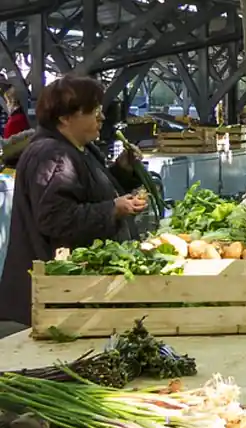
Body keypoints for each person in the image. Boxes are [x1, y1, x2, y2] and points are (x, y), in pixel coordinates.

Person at [0, 75, 147, 326]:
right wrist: (112, 209)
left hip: (68, 293)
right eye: (93, 111)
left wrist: (122, 170)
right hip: (53, 297)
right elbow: (56, 220)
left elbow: (88, 191)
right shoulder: (52, 155)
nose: (101, 117)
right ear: (65, 118)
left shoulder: (78, 148)